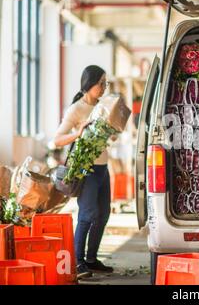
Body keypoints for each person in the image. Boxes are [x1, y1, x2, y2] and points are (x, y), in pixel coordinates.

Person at [54, 65, 114, 279]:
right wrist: (78, 133)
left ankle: (91, 259)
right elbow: (57, 139)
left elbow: (107, 136)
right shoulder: (76, 109)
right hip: (85, 168)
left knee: (104, 213)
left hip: (103, 167)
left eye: (106, 83)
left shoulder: (103, 107)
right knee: (88, 215)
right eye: (101, 84)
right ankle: (77, 261)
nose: (104, 88)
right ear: (89, 85)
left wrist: (111, 133)